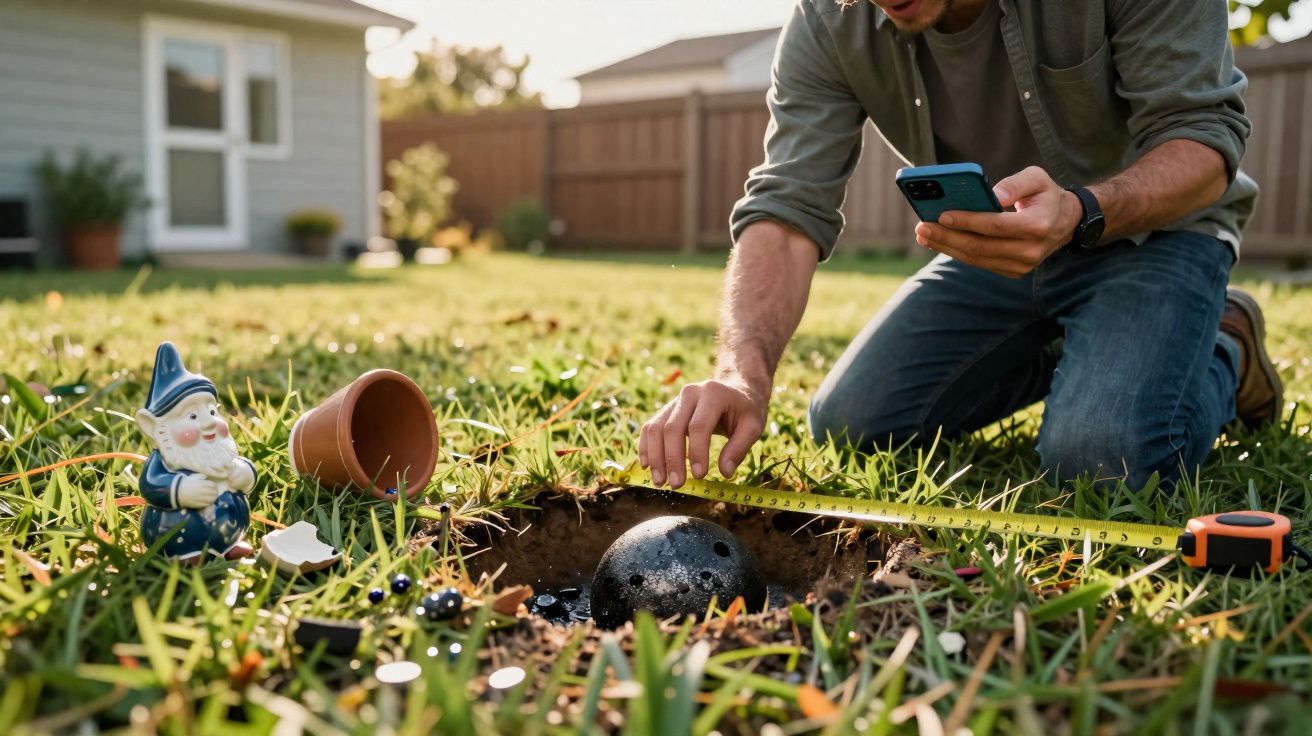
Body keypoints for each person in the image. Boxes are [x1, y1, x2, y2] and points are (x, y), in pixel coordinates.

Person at [639, 0, 1282, 492]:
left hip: (1158, 233)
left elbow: (1204, 141)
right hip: (996, 254)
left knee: (1102, 460)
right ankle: (1090, 343)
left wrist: (1081, 209)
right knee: (855, 425)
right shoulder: (830, 20)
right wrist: (741, 373)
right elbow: (786, 207)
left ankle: (1226, 345)